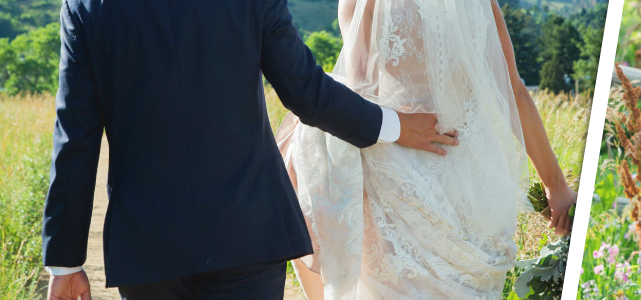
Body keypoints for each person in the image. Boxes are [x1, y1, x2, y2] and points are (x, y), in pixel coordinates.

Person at [42, 0, 458, 298]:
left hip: (150, 246)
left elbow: (75, 138)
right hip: (249, 229)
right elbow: (306, 92)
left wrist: (65, 264)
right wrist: (393, 125)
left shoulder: (85, 7)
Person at [279, 0, 578, 298]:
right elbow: (515, 92)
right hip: (476, 188)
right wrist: (556, 185)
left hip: (403, 179)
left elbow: (360, 101)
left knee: (303, 136)